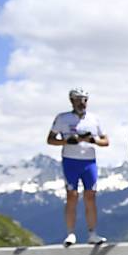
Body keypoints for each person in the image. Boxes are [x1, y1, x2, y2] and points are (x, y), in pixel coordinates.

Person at [47, 87, 109, 246]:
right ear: (72, 101)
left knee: (90, 196)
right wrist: (67, 141)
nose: (82, 103)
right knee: (72, 196)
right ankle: (70, 234)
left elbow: (106, 141)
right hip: (70, 160)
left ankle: (93, 234)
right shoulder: (62, 118)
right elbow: (50, 139)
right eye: (79, 99)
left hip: (89, 161)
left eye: (85, 100)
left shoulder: (94, 119)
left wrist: (92, 140)